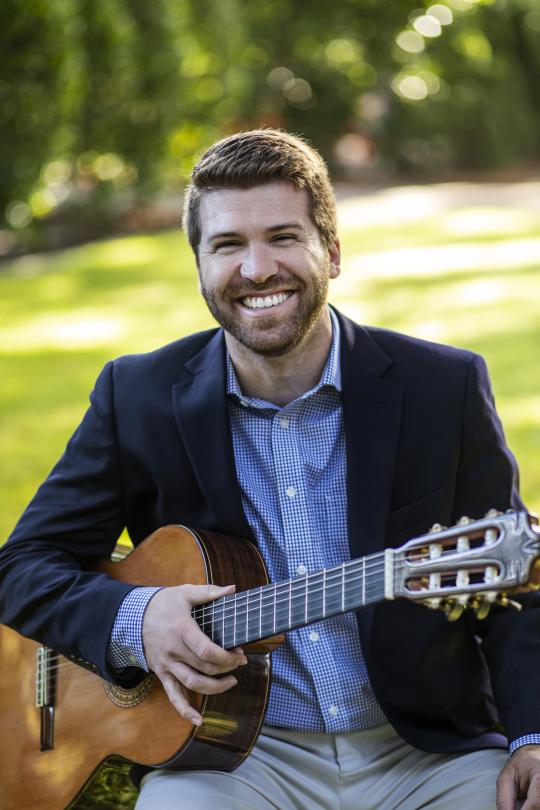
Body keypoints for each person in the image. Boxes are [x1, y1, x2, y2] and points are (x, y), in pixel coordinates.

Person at [1, 129, 540, 810]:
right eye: (228, 245)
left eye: (283, 237)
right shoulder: (136, 396)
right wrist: (137, 618)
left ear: (332, 252)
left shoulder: (444, 387)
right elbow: (22, 567)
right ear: (198, 264)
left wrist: (532, 735)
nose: (257, 270)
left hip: (424, 752)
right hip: (236, 758)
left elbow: (518, 593)